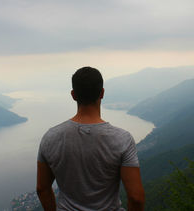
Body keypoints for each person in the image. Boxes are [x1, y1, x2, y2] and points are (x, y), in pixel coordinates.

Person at [36, 66, 145, 211]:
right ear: (102, 93)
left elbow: (42, 189)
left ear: (73, 95)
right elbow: (136, 197)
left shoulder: (50, 137)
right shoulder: (122, 139)